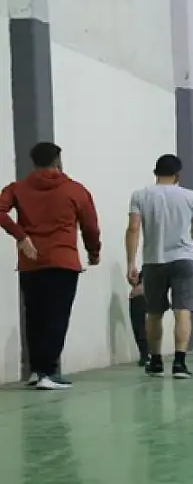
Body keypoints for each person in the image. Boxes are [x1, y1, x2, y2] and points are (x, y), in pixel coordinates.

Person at [0, 142, 100, 390]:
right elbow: (90, 226)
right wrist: (93, 252)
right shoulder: (75, 190)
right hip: (63, 263)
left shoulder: (18, 189)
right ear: (58, 161)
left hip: (31, 264)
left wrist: (21, 236)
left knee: (34, 317)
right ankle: (48, 372)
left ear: (34, 163)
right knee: (56, 316)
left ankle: (37, 370)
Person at [127, 154, 193, 379]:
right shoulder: (190, 197)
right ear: (178, 175)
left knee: (153, 313)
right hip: (184, 259)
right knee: (182, 311)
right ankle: (180, 363)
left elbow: (133, 228)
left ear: (155, 173)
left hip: (154, 261)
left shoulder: (140, 196)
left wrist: (131, 263)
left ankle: (156, 361)